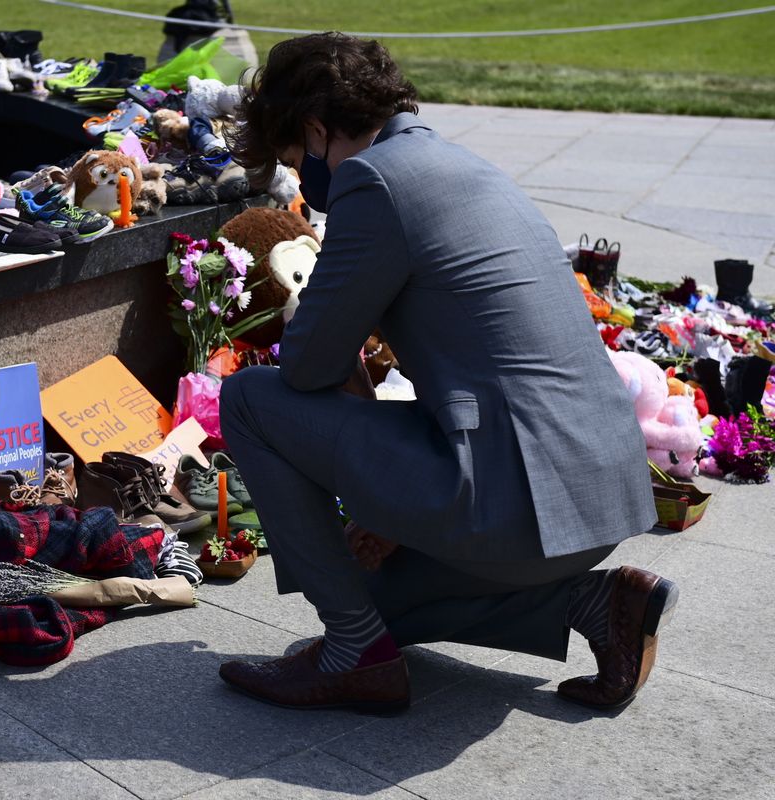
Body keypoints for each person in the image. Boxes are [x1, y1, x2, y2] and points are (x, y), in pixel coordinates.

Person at [217, 32, 678, 713]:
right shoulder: (471, 167)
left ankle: (351, 654)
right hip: (596, 498)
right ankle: (595, 599)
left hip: (515, 501)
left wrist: (376, 487)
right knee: (380, 601)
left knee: (250, 398)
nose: (308, 189)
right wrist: (386, 502)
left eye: (295, 160)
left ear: (317, 130)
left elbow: (310, 366)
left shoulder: (372, 181)